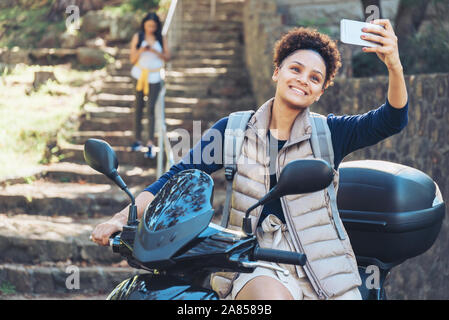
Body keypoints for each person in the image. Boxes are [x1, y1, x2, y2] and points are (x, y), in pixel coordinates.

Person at [92, 20, 408, 300]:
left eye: (315, 78)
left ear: (320, 92)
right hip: (257, 262)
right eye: (295, 69)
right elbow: (176, 178)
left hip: (324, 268)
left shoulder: (330, 133)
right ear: (277, 72)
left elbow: (391, 120)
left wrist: (394, 65)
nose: (302, 80)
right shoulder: (232, 131)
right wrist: (122, 218)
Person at [129, 12, 170, 158]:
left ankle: (150, 143)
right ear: (144, 24)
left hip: (155, 76)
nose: (151, 28)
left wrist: (153, 50)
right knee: (138, 107)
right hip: (139, 74)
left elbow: (167, 57)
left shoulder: (160, 38)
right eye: (148, 25)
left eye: (153, 26)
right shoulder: (138, 37)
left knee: (151, 109)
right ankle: (137, 140)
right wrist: (142, 49)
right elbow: (132, 58)